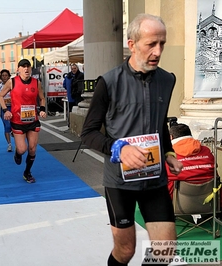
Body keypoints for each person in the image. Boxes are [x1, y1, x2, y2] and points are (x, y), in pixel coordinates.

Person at [80, 14, 183, 265]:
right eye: (151, 44)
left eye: (162, 44)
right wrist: (118, 148)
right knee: (126, 250)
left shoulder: (167, 79)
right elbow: (88, 133)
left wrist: (168, 152)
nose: (158, 51)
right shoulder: (109, 82)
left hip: (155, 179)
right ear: (132, 44)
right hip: (120, 182)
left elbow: (159, 122)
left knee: (165, 251)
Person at [0, 59, 47, 183]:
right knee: (22, 149)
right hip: (18, 121)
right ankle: (17, 153)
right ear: (18, 69)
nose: (26, 69)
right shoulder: (12, 82)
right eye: (23, 67)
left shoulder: (36, 83)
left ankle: (27, 172)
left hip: (32, 120)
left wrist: (42, 109)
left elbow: (42, 98)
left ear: (30, 69)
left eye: (28, 67)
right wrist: (6, 110)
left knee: (32, 148)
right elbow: (0, 96)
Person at [166, 123, 215, 198]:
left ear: (171, 137)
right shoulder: (207, 152)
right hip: (211, 205)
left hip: (176, 206)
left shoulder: (170, 158)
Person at [0, 69, 13, 152]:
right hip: (4, 108)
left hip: (13, 107)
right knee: (7, 126)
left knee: (14, 125)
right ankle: (9, 144)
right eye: (3, 75)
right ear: (1, 77)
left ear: (9, 76)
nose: (4, 77)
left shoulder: (13, 85)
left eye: (6, 75)